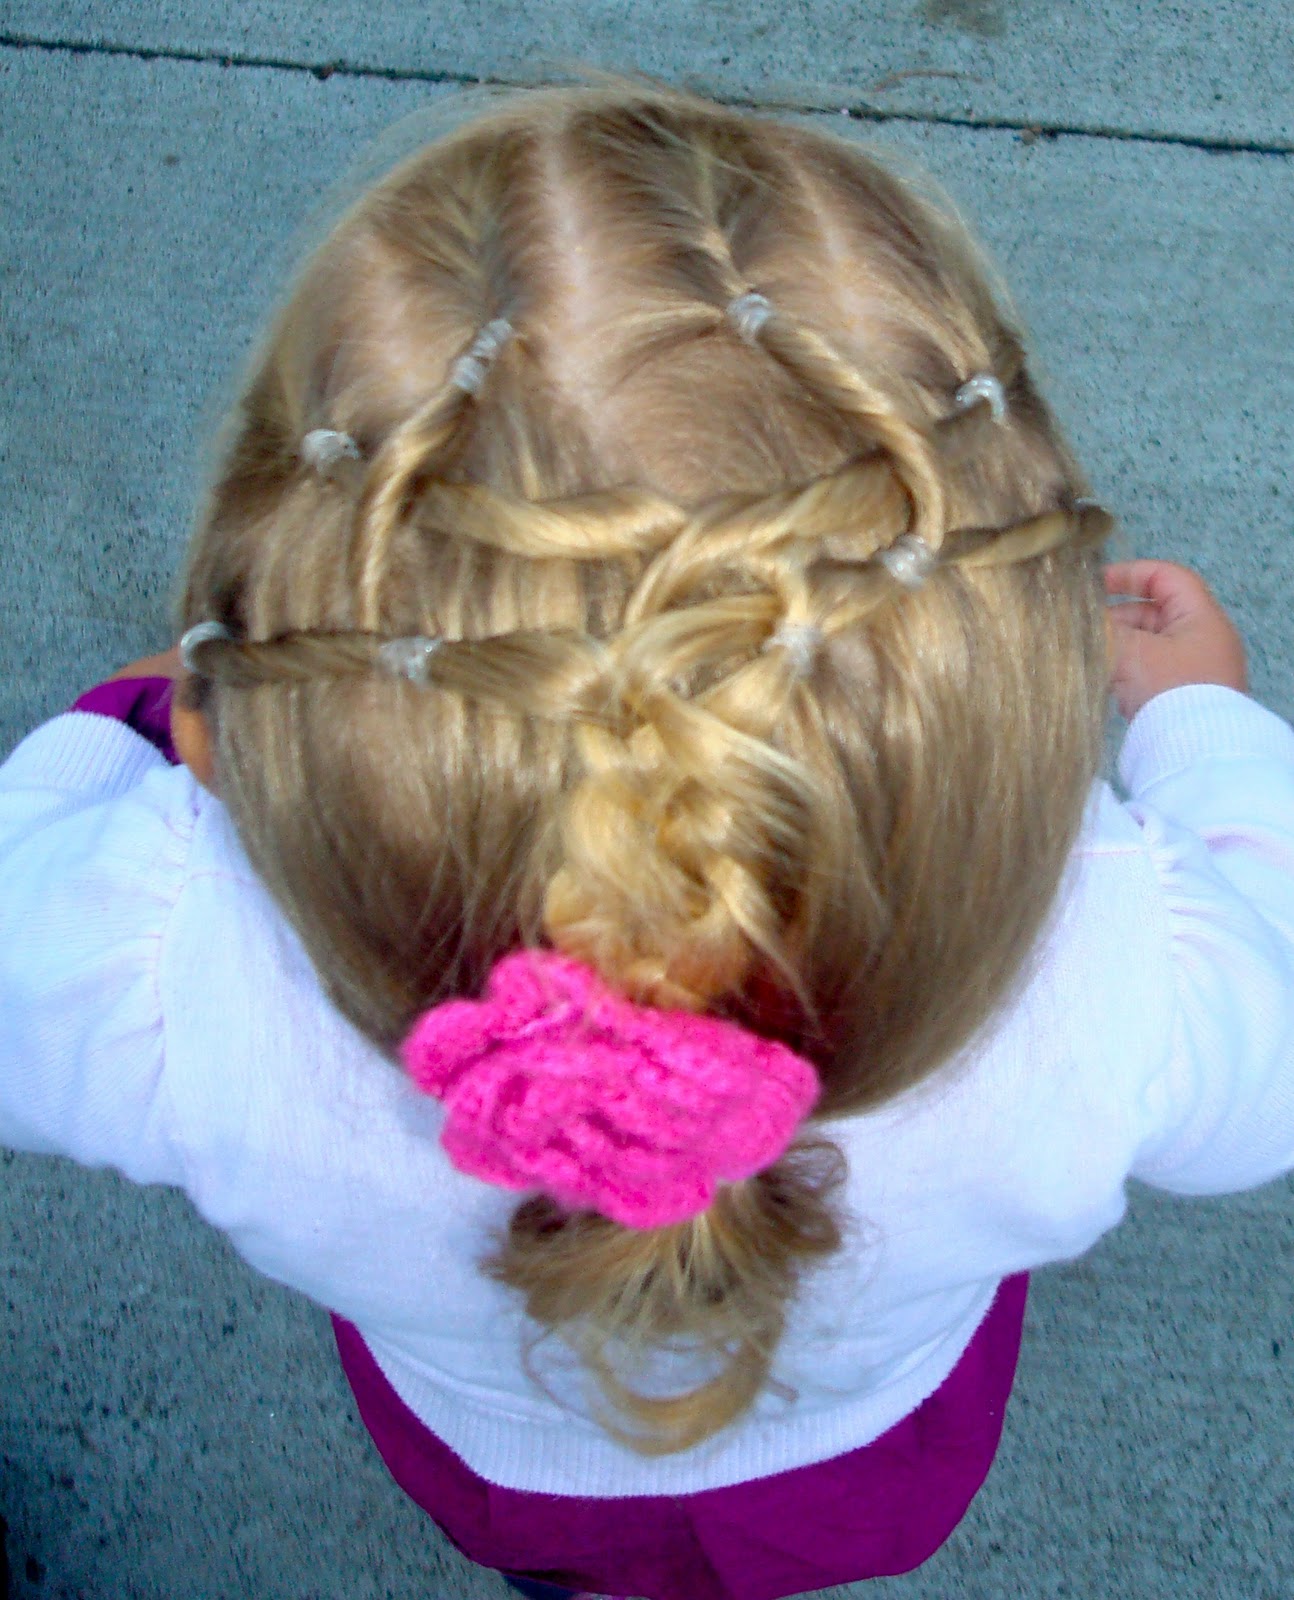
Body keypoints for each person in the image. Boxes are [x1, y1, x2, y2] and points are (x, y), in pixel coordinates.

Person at [1, 83, 1290, 1600]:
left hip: (503, 1475)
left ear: (227, 739)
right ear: (1029, 681)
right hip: (870, 1463)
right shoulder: (1135, 975)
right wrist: (1200, 725)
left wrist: (119, 727)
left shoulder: (152, 961)